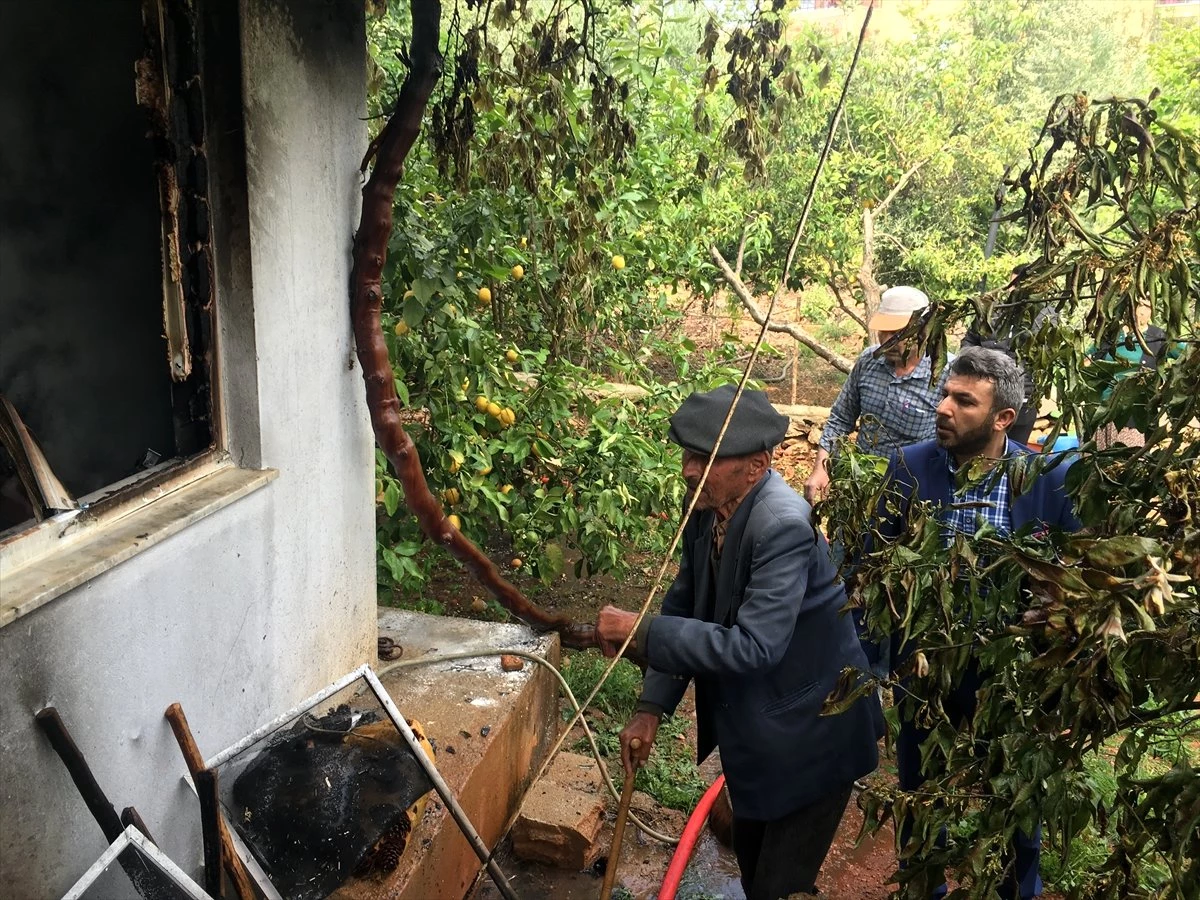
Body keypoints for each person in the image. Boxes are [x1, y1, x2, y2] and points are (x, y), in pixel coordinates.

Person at [595, 384, 882, 900]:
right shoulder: (707, 504)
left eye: (704, 459)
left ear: (756, 465)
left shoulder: (782, 525)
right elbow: (686, 599)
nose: (687, 469)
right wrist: (650, 708)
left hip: (813, 737)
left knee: (780, 885)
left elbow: (754, 647)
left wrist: (640, 631)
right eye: (687, 454)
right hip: (760, 730)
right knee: (753, 869)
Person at [873, 347, 1082, 899]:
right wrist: (881, 667)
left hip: (1013, 680)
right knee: (920, 798)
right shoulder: (909, 467)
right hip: (927, 671)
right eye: (946, 394)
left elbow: (1077, 573)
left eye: (964, 401)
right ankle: (925, 888)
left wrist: (1059, 637)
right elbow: (871, 570)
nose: (943, 407)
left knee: (1018, 806)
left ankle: (1018, 890)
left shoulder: (1048, 478)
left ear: (1003, 418)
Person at [805, 286, 947, 505]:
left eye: (896, 333)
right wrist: (821, 468)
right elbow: (841, 419)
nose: (886, 340)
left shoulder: (944, 374)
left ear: (922, 330)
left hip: (912, 492)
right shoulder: (868, 361)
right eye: (883, 331)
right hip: (861, 486)